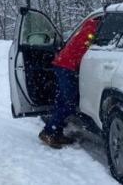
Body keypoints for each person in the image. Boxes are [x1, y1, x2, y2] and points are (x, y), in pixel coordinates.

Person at [38, 17, 100, 149]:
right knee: (68, 103)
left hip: (63, 65)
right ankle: (48, 132)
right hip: (67, 67)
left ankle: (56, 132)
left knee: (62, 101)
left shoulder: (89, 26)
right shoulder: (92, 30)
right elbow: (86, 47)